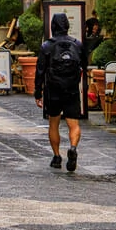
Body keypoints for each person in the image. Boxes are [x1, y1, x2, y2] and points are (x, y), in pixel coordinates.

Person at [35, 13, 87, 172]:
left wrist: (38, 93)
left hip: (53, 89)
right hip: (71, 89)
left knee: (53, 123)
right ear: (67, 26)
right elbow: (84, 66)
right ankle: (72, 147)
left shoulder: (46, 46)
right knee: (74, 124)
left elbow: (40, 71)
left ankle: (57, 156)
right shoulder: (77, 45)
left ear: (52, 26)